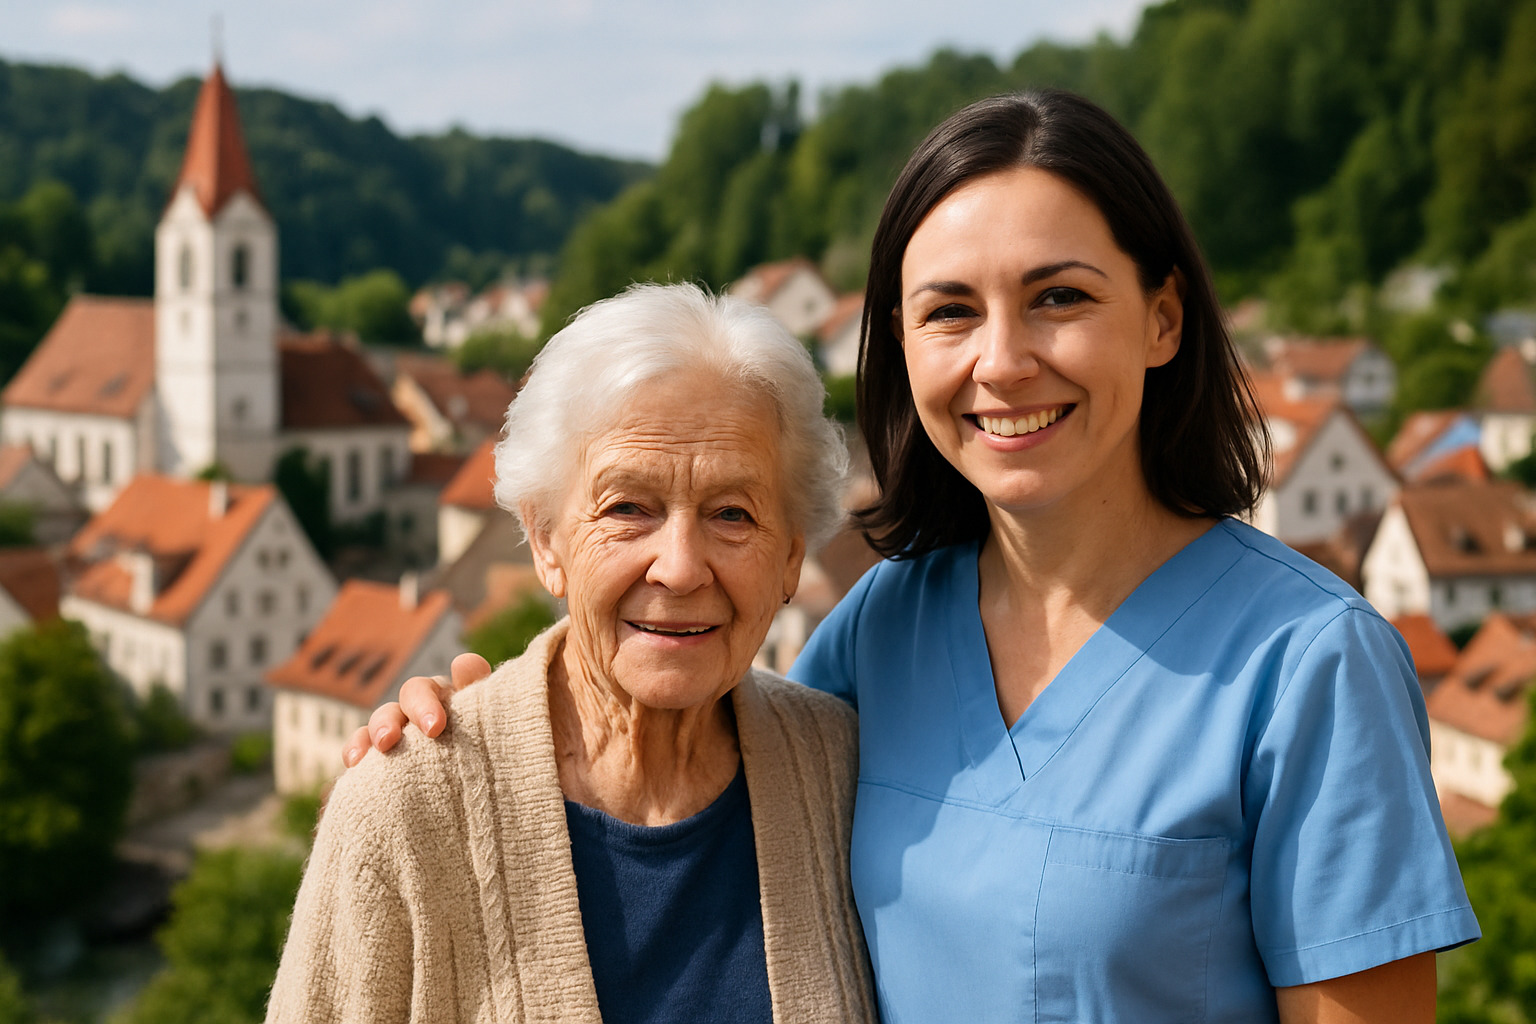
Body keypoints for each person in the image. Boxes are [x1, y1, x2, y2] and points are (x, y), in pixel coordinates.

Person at [349, 91, 1478, 1023]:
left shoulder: (1312, 665)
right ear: (902, 345)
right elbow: (689, 746)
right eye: (950, 312)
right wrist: (480, 729)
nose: (1003, 360)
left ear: (1163, 318)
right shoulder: (883, 625)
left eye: (1059, 298)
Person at [268, 283, 877, 1023]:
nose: (680, 567)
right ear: (546, 541)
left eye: (732, 513)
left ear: (791, 557)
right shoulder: (405, 807)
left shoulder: (843, 771)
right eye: (628, 508)